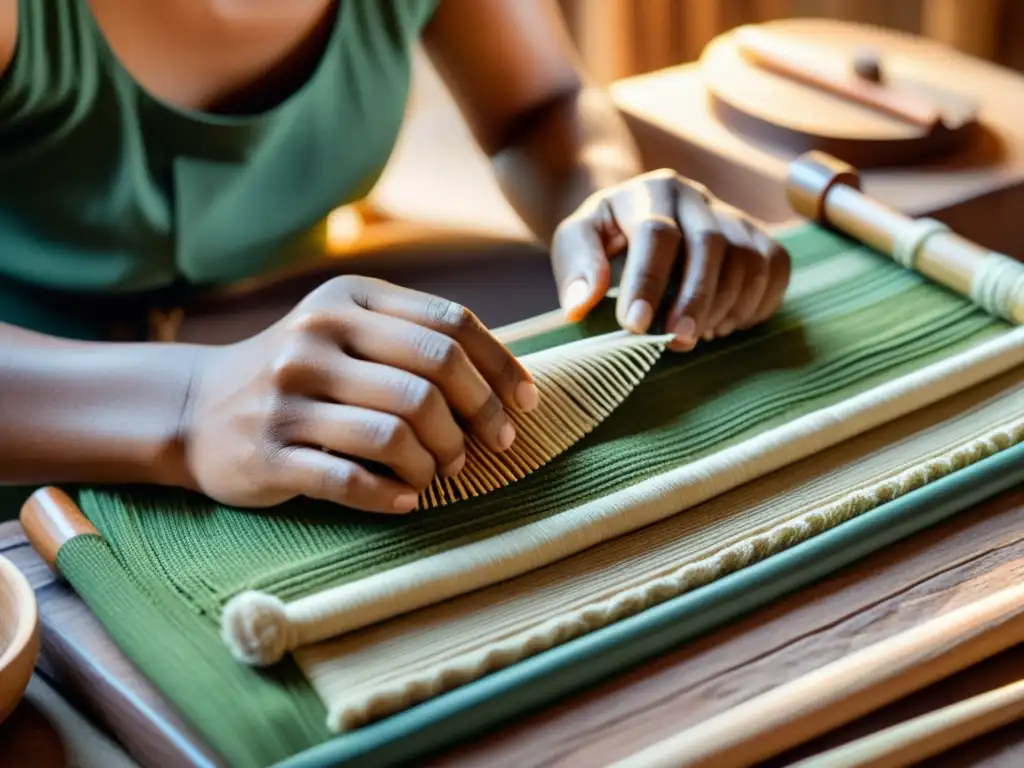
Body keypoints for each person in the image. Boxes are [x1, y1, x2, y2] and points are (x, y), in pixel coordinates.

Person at [0, 0, 790, 517]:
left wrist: (608, 200)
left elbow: (537, 106)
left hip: (295, 330)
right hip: (45, 413)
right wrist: (188, 403)